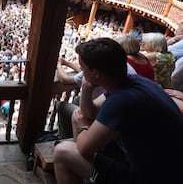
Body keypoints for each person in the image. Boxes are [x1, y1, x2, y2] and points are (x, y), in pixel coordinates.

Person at [53, 38, 183, 184]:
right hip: (163, 167)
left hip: (149, 177)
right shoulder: (133, 82)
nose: (81, 71)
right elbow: (89, 112)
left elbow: (84, 148)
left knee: (62, 152)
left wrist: (83, 126)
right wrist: (87, 88)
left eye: (83, 68)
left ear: (96, 73)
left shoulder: (122, 100)